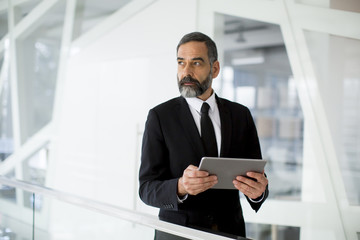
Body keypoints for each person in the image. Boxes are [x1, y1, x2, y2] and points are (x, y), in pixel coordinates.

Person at [139, 32, 269, 240]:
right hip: (179, 235)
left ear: (215, 69)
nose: (186, 72)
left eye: (196, 63)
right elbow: (146, 188)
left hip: (229, 233)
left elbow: (256, 178)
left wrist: (259, 192)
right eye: (181, 63)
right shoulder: (160, 117)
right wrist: (180, 186)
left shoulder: (240, 115)